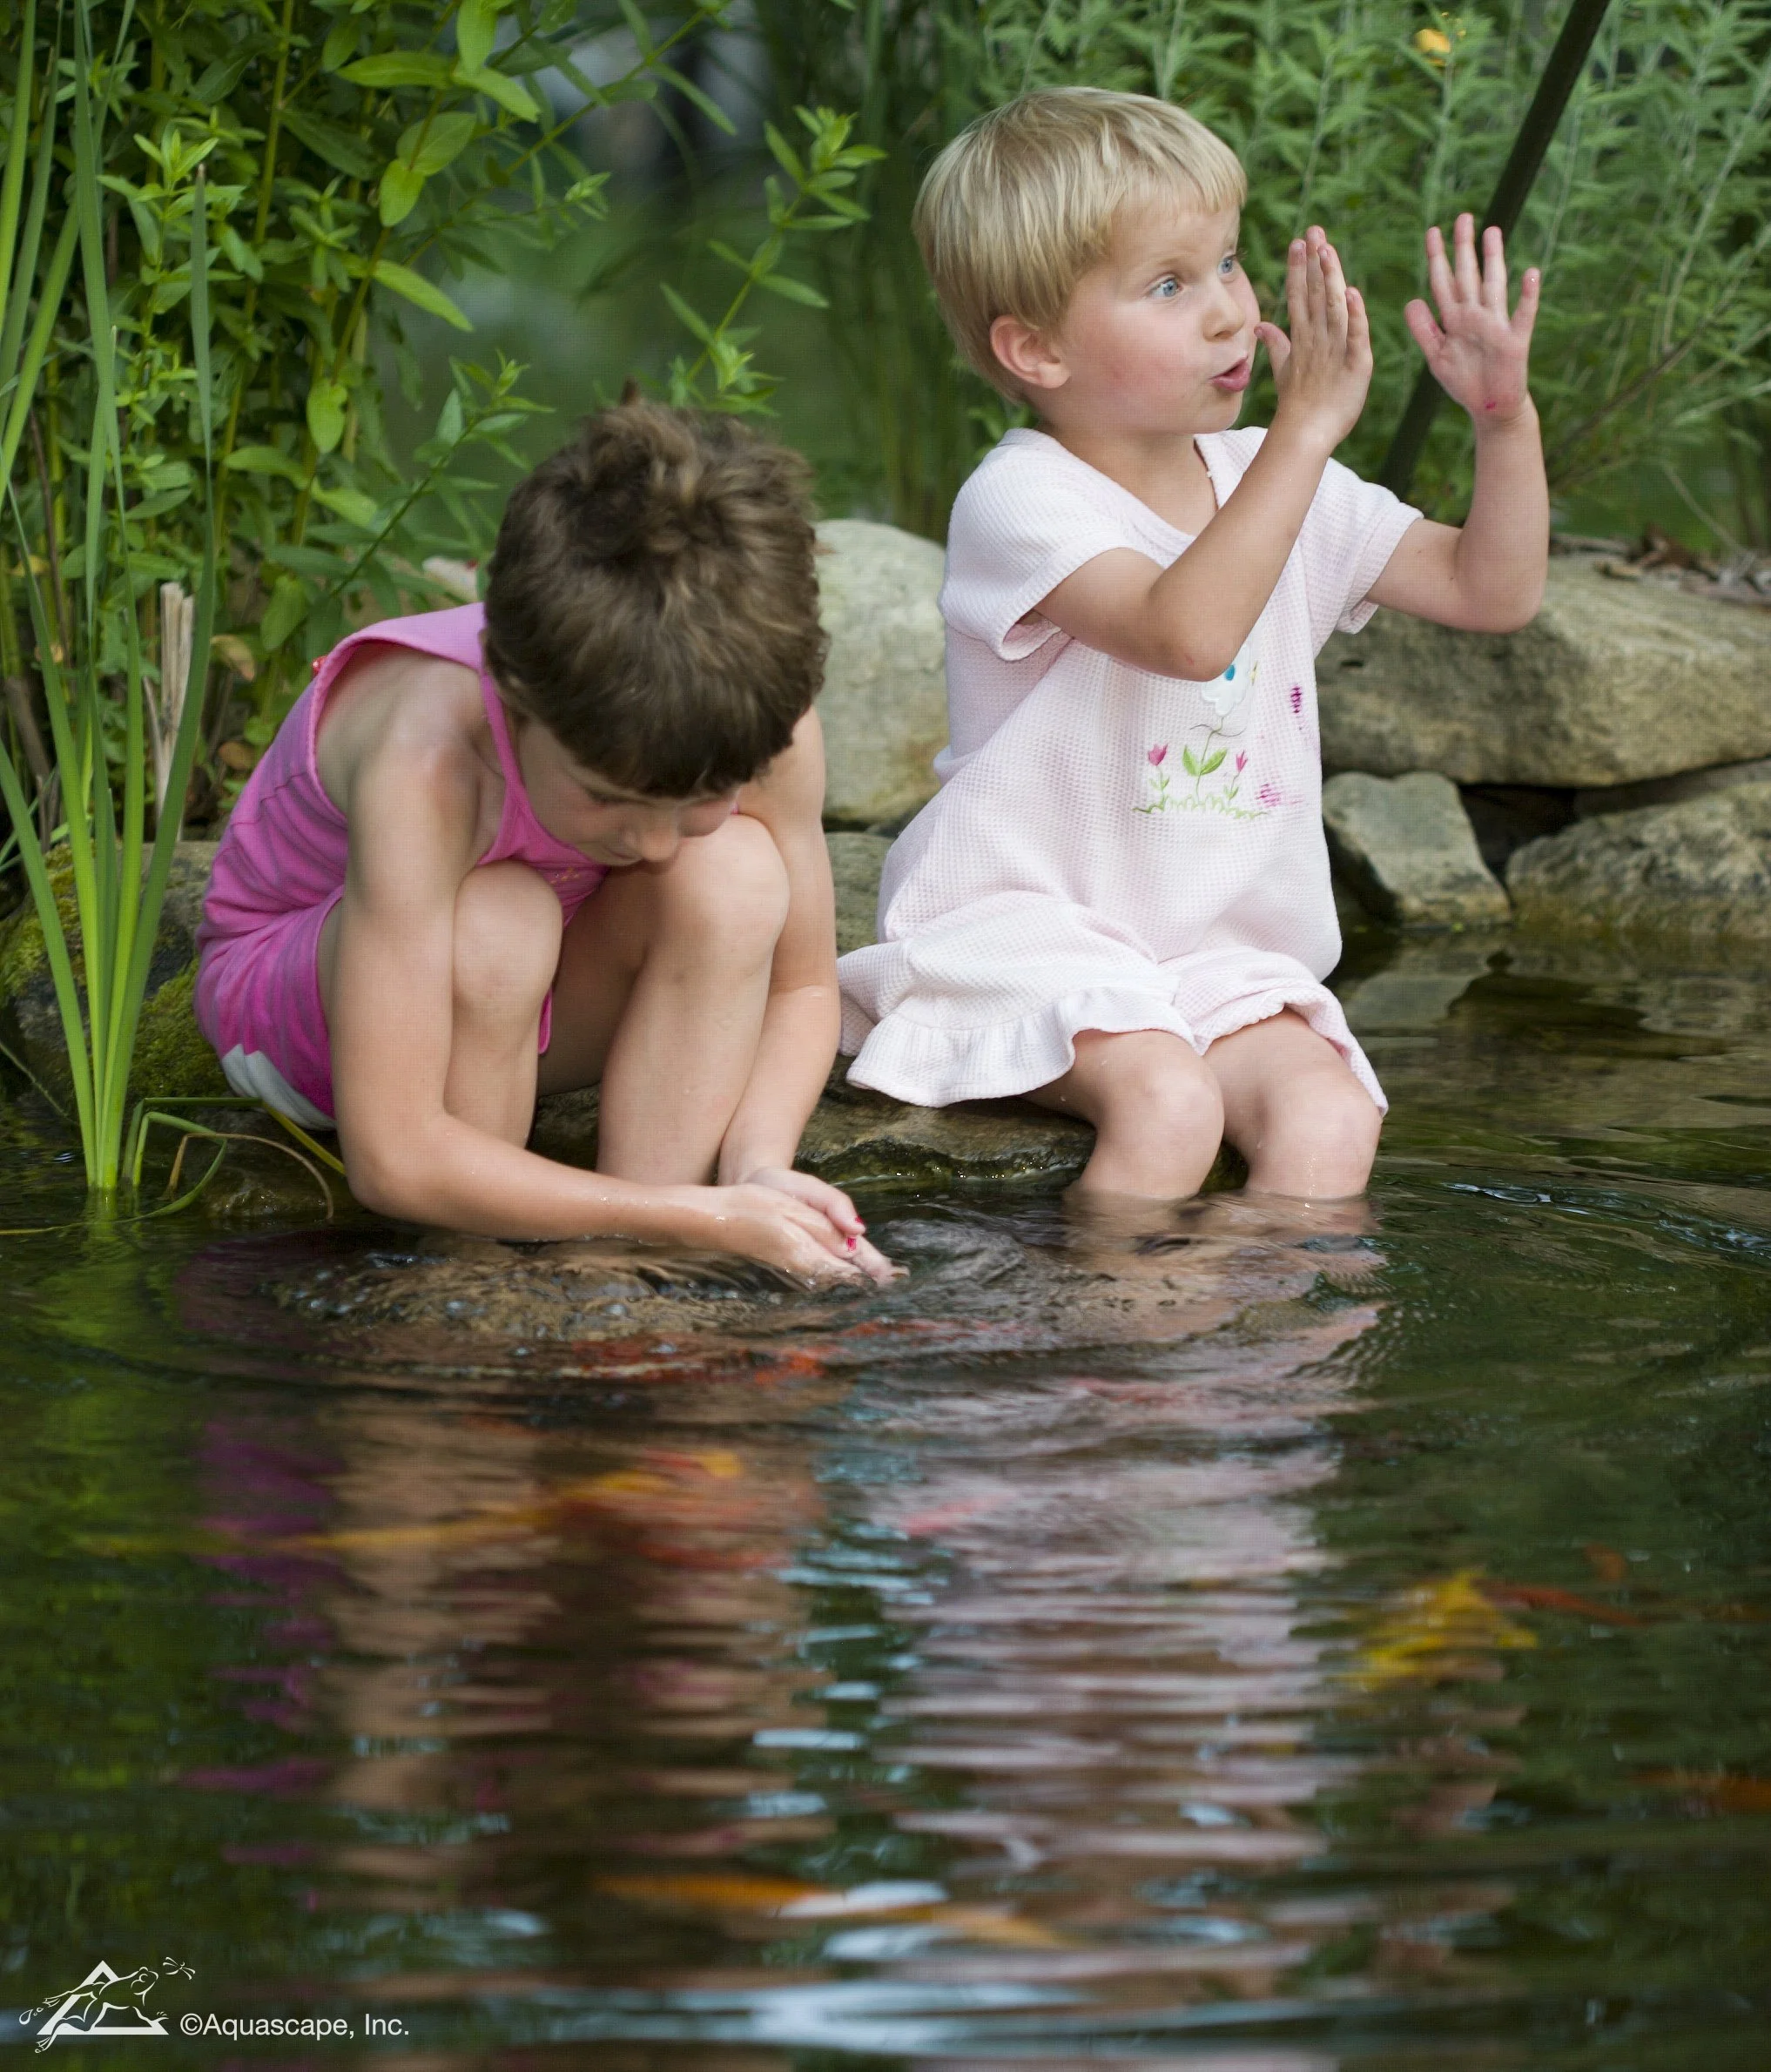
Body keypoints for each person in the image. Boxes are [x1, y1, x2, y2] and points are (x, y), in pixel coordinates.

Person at [838, 87, 1546, 1203]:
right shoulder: (1023, 497)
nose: (1227, 311)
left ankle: (1219, 1370)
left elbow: (1491, 588)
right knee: (1168, 1107)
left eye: (1226, 264)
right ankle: (1096, 1354)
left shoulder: (1274, 477)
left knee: (1330, 1122)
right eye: (1169, 284)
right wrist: (1308, 433)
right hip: (1028, 925)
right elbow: (1185, 632)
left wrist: (1504, 422)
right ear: (1037, 348)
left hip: (1210, 956)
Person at [196, 397, 893, 1284]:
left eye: (697, 800)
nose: (650, 844)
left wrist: (754, 1170)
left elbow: (800, 988)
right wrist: (697, 1217)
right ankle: (478, 1285)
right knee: (503, 919)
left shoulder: (753, 716)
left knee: (737, 877)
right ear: (517, 696)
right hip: (311, 1005)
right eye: (610, 800)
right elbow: (394, 1154)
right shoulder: (427, 760)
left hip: (536, 979)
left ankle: (626, 1280)